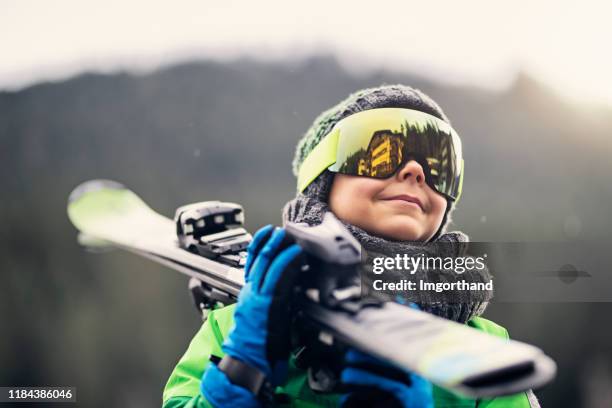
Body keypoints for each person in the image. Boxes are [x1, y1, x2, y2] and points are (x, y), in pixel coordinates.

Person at [162, 85, 541, 407]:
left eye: (437, 164)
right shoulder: (236, 326)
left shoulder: (483, 350)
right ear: (321, 183)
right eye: (380, 153)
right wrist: (238, 376)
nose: (416, 172)